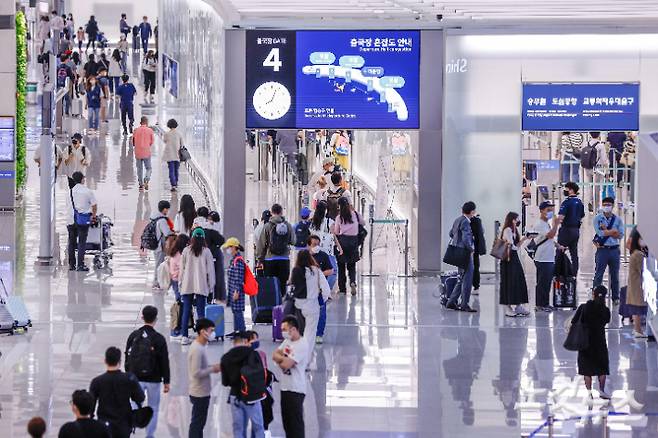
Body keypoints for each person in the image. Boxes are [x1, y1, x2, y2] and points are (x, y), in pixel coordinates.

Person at [124, 306, 170, 438]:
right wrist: (166, 381)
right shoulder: (159, 338)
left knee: (134, 403)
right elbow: (164, 361)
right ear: (156, 319)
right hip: (154, 379)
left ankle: (130, 430)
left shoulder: (133, 336)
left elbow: (127, 356)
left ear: (142, 317)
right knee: (153, 407)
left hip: (135, 378)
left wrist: (129, 375)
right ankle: (149, 435)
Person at [89, 347, 145, 438]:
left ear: (105, 361)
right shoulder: (129, 378)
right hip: (123, 424)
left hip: (104, 424)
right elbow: (140, 397)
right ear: (120, 361)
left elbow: (91, 406)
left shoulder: (97, 381)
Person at [220, 331, 266, 438]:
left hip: (235, 396)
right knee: (258, 427)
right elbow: (261, 375)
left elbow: (225, 382)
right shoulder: (253, 354)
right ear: (245, 341)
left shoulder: (226, 358)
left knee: (238, 428)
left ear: (234, 343)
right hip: (252, 396)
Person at [273, 315, 309, 438]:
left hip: (296, 389)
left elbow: (286, 365)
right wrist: (283, 359)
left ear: (293, 329)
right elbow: (274, 355)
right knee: (287, 423)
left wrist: (282, 359)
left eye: (284, 329)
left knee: (295, 424)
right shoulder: (287, 342)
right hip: (285, 388)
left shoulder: (302, 344)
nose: (283, 332)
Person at [179, 228, 216, 345]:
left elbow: (182, 269)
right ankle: (201, 336)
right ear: (203, 238)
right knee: (201, 311)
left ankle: (184, 336)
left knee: (186, 310)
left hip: (187, 284)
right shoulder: (206, 252)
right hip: (201, 284)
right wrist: (211, 286)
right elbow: (211, 271)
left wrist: (180, 283)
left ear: (193, 238)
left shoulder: (186, 250)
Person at [291, 249, 331, 353]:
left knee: (300, 331)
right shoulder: (316, 271)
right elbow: (325, 289)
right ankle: (307, 358)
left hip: (299, 305)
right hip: (313, 305)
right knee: (310, 333)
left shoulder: (295, 270)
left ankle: (298, 355)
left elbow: (291, 288)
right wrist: (322, 301)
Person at [576, 285, 612, 400]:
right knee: (602, 368)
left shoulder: (584, 307)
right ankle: (601, 390)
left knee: (587, 370)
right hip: (600, 342)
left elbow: (574, 321)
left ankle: (589, 393)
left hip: (585, 343)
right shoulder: (605, 310)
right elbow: (606, 321)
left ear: (593, 294)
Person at [188, 318, 221, 438]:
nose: (213, 333)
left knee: (199, 422)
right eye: (211, 330)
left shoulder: (200, 346)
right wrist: (213, 369)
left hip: (202, 391)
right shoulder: (197, 349)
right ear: (203, 332)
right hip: (199, 392)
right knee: (198, 423)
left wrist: (211, 367)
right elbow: (196, 372)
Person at [446, 202, 478, 312]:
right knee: (467, 279)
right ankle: (464, 304)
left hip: (457, 252)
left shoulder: (457, 220)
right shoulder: (466, 222)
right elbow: (465, 239)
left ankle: (451, 302)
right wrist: (471, 249)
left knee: (461, 278)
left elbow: (451, 233)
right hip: (464, 253)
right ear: (472, 211)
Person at [593, 197, 624, 304]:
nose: (607, 206)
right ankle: (596, 295)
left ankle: (616, 297)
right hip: (602, 250)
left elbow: (620, 235)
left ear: (612, 206)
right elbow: (600, 233)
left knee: (615, 275)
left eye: (609, 205)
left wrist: (606, 230)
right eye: (605, 204)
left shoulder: (618, 220)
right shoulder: (597, 219)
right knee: (599, 274)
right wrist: (612, 232)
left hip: (614, 250)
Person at [257, 203, 294, 295]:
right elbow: (293, 241)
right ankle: (281, 306)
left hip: (270, 259)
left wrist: (260, 259)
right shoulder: (288, 225)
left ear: (272, 212)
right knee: (282, 285)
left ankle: (272, 306)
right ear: (281, 212)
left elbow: (261, 244)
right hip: (284, 259)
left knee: (271, 285)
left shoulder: (267, 226)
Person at [499, 212, 530, 317]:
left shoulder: (514, 230)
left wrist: (525, 239)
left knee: (518, 280)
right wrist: (522, 240)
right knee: (509, 282)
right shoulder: (507, 230)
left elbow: (515, 246)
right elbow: (513, 247)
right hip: (508, 259)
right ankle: (507, 307)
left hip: (514, 258)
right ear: (512, 219)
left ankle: (518, 305)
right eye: (517, 219)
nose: (518, 221)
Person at [332, 197, 364, 296]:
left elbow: (337, 232)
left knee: (341, 266)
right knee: (352, 265)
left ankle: (342, 289)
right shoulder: (356, 214)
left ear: (339, 206)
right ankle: (353, 282)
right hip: (354, 242)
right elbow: (363, 223)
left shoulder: (339, 217)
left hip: (342, 242)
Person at [532, 201, 560, 312]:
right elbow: (550, 235)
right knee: (543, 282)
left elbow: (549, 239)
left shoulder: (546, 224)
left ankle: (544, 303)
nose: (550, 212)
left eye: (551, 210)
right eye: (548, 210)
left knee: (546, 281)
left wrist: (558, 245)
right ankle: (540, 304)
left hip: (548, 257)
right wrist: (556, 224)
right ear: (541, 211)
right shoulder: (539, 224)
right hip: (543, 258)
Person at [308, 235, 335, 344]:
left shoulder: (323, 255)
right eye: (314, 244)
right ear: (308, 245)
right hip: (307, 289)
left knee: (321, 312)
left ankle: (319, 334)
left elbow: (331, 271)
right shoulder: (304, 256)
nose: (316, 247)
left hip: (319, 289)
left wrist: (319, 275)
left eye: (318, 244)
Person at [68, 171, 97, 272]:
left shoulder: (70, 191)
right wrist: (93, 216)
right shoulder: (87, 191)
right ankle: (80, 265)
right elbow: (94, 205)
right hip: (82, 220)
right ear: (82, 179)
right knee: (81, 242)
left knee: (71, 243)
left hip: (70, 220)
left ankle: (71, 265)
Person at [195, 207, 226, 302]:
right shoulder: (213, 229)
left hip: (201, 255)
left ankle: (204, 295)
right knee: (215, 275)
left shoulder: (199, 229)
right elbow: (221, 241)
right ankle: (216, 296)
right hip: (214, 255)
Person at [558, 181, 585, 275]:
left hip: (566, 230)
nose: (565, 190)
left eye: (566, 189)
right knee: (574, 253)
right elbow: (582, 216)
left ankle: (559, 271)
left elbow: (561, 217)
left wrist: (555, 222)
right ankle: (574, 273)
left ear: (571, 190)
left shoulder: (566, 202)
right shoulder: (580, 202)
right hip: (575, 231)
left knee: (560, 250)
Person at [627, 228, 649, 338]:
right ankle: (638, 330)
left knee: (636, 308)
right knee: (638, 308)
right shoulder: (639, 255)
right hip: (638, 285)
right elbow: (642, 270)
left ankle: (637, 329)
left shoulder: (634, 253)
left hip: (634, 284)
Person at [168, 234, 190, 340]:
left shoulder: (175, 252)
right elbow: (182, 269)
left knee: (180, 305)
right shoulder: (179, 255)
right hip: (178, 282)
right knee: (180, 306)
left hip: (175, 281)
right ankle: (175, 331)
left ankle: (178, 329)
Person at [224, 237, 247, 334]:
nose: (228, 249)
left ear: (234, 247)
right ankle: (236, 330)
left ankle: (241, 331)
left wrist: (236, 291)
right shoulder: (234, 259)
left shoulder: (238, 261)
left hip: (237, 290)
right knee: (235, 310)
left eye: (229, 247)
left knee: (238, 312)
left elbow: (239, 277)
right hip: (233, 289)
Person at [150, 200, 174, 289]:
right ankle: (156, 283)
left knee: (158, 263)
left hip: (155, 244)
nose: (168, 211)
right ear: (164, 209)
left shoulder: (154, 218)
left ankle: (157, 282)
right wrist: (174, 232)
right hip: (160, 246)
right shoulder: (162, 220)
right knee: (159, 264)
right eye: (167, 209)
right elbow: (167, 232)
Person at [132, 116, 154, 191]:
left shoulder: (136, 130)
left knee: (139, 169)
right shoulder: (150, 130)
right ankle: (147, 178)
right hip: (146, 152)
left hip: (138, 152)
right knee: (149, 168)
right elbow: (151, 142)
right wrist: (147, 146)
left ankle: (141, 185)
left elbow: (133, 142)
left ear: (140, 122)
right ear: (147, 122)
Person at [162, 119, 184, 191]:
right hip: (177, 155)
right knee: (176, 170)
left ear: (169, 125)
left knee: (171, 170)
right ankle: (176, 183)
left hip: (170, 155)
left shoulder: (167, 134)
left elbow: (164, 141)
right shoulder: (179, 134)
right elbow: (182, 144)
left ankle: (173, 185)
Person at [470, 214, 487, 293]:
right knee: (476, 267)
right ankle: (476, 286)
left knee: (466, 268)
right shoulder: (478, 221)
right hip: (475, 248)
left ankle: (471, 286)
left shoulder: (464, 221)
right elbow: (482, 232)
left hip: (468, 249)